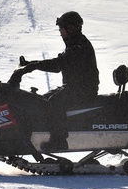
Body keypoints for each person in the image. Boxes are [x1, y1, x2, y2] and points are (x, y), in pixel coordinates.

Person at [9, 11, 99, 151]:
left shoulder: (79, 47)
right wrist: (29, 63)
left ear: (72, 28)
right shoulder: (74, 44)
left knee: (55, 102)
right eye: (60, 29)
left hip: (84, 90)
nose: (61, 32)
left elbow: (58, 65)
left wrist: (32, 66)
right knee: (43, 100)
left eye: (63, 28)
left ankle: (59, 141)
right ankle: (38, 135)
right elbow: (59, 62)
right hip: (73, 87)